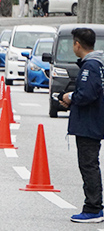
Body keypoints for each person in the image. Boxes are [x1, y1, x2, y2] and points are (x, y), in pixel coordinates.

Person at [58, 28, 104, 223]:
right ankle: (94, 206)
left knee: (88, 164)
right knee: (90, 163)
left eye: (73, 43)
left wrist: (70, 96)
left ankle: (93, 208)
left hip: (89, 123)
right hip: (93, 121)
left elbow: (87, 94)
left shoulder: (90, 66)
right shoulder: (97, 64)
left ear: (77, 44)